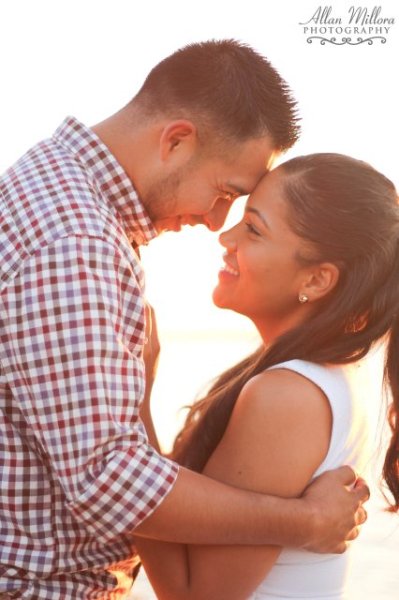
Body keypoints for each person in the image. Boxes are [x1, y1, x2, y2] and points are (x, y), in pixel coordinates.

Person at [0, 40, 368, 599]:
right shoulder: (77, 241)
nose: (218, 222)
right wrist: (305, 522)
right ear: (176, 140)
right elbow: (107, 481)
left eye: (246, 216)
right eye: (226, 192)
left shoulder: (54, 193)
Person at [136, 152, 399, 600]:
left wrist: (135, 402)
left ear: (317, 281)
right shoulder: (333, 372)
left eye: (254, 229)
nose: (227, 236)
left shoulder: (288, 394)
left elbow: (193, 596)